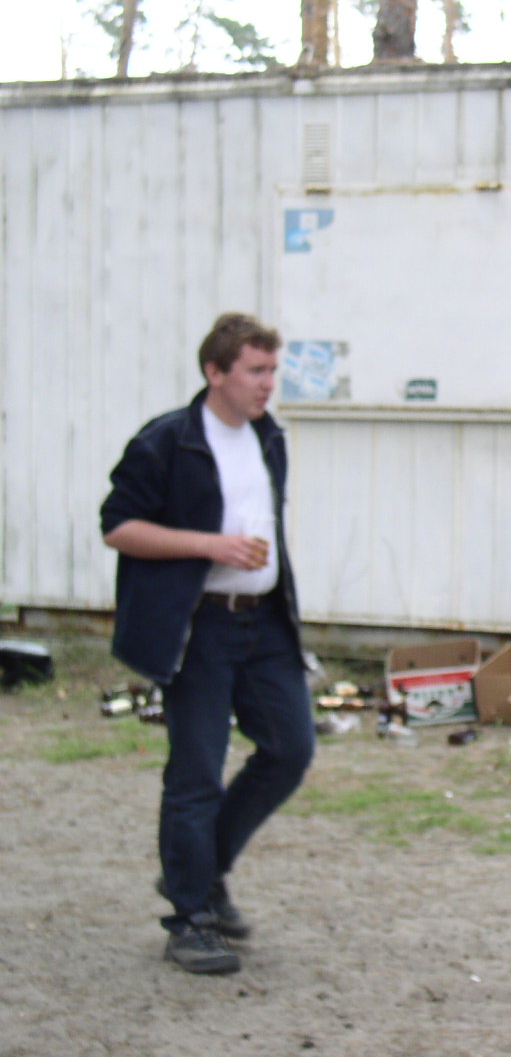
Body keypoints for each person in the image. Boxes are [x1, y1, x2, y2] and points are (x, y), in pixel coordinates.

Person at [101, 312, 314, 976]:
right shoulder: (168, 441)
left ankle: (198, 870)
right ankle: (190, 919)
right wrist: (209, 546)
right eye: (255, 370)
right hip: (199, 626)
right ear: (214, 372)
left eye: (273, 370)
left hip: (266, 622)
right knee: (196, 771)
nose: (268, 383)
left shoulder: (268, 436)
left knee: (290, 748)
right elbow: (118, 527)